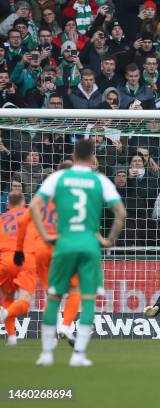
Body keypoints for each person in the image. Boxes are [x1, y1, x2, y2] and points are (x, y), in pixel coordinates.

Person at [28, 139, 126, 367]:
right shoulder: (99, 180)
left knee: (54, 297)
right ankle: (79, 355)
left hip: (63, 244)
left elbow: (33, 207)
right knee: (88, 298)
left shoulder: (58, 177)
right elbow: (121, 213)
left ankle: (46, 354)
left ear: (73, 154)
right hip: (90, 245)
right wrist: (109, 240)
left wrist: (46, 235)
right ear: (93, 157)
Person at [9, 162, 81, 347]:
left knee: (52, 294)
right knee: (75, 290)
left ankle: (52, 332)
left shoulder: (42, 196)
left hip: (40, 249)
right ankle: (65, 326)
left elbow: (23, 222)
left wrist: (18, 249)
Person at [0, 192, 28, 345]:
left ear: (7, 204)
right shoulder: (29, 214)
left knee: (8, 297)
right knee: (25, 300)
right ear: (24, 202)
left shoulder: (1, 218)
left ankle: (11, 337)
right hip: (25, 259)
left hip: (5, 261)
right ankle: (6, 315)